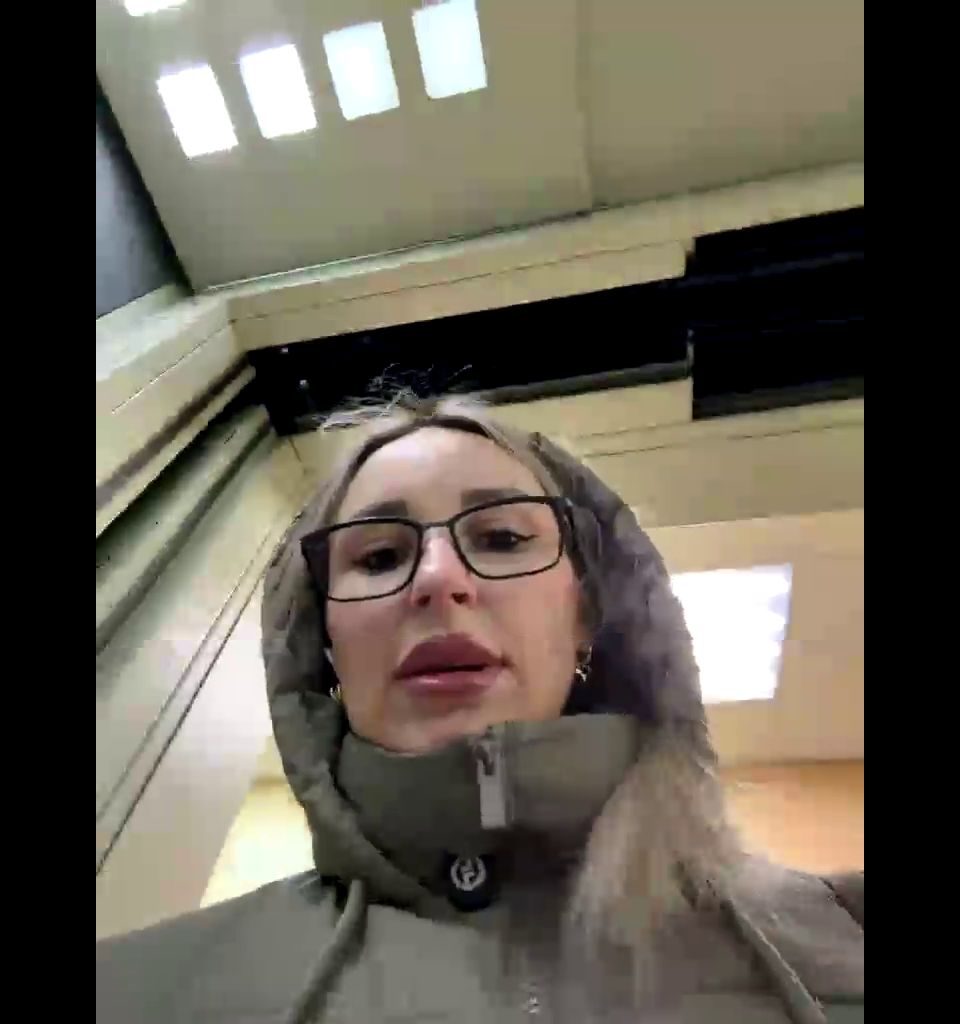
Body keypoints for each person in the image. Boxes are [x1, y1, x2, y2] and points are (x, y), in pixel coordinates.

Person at [97, 394, 864, 1023]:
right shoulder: (135, 992)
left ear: (586, 614)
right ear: (325, 642)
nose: (437, 579)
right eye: (380, 556)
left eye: (500, 537)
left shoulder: (841, 934)